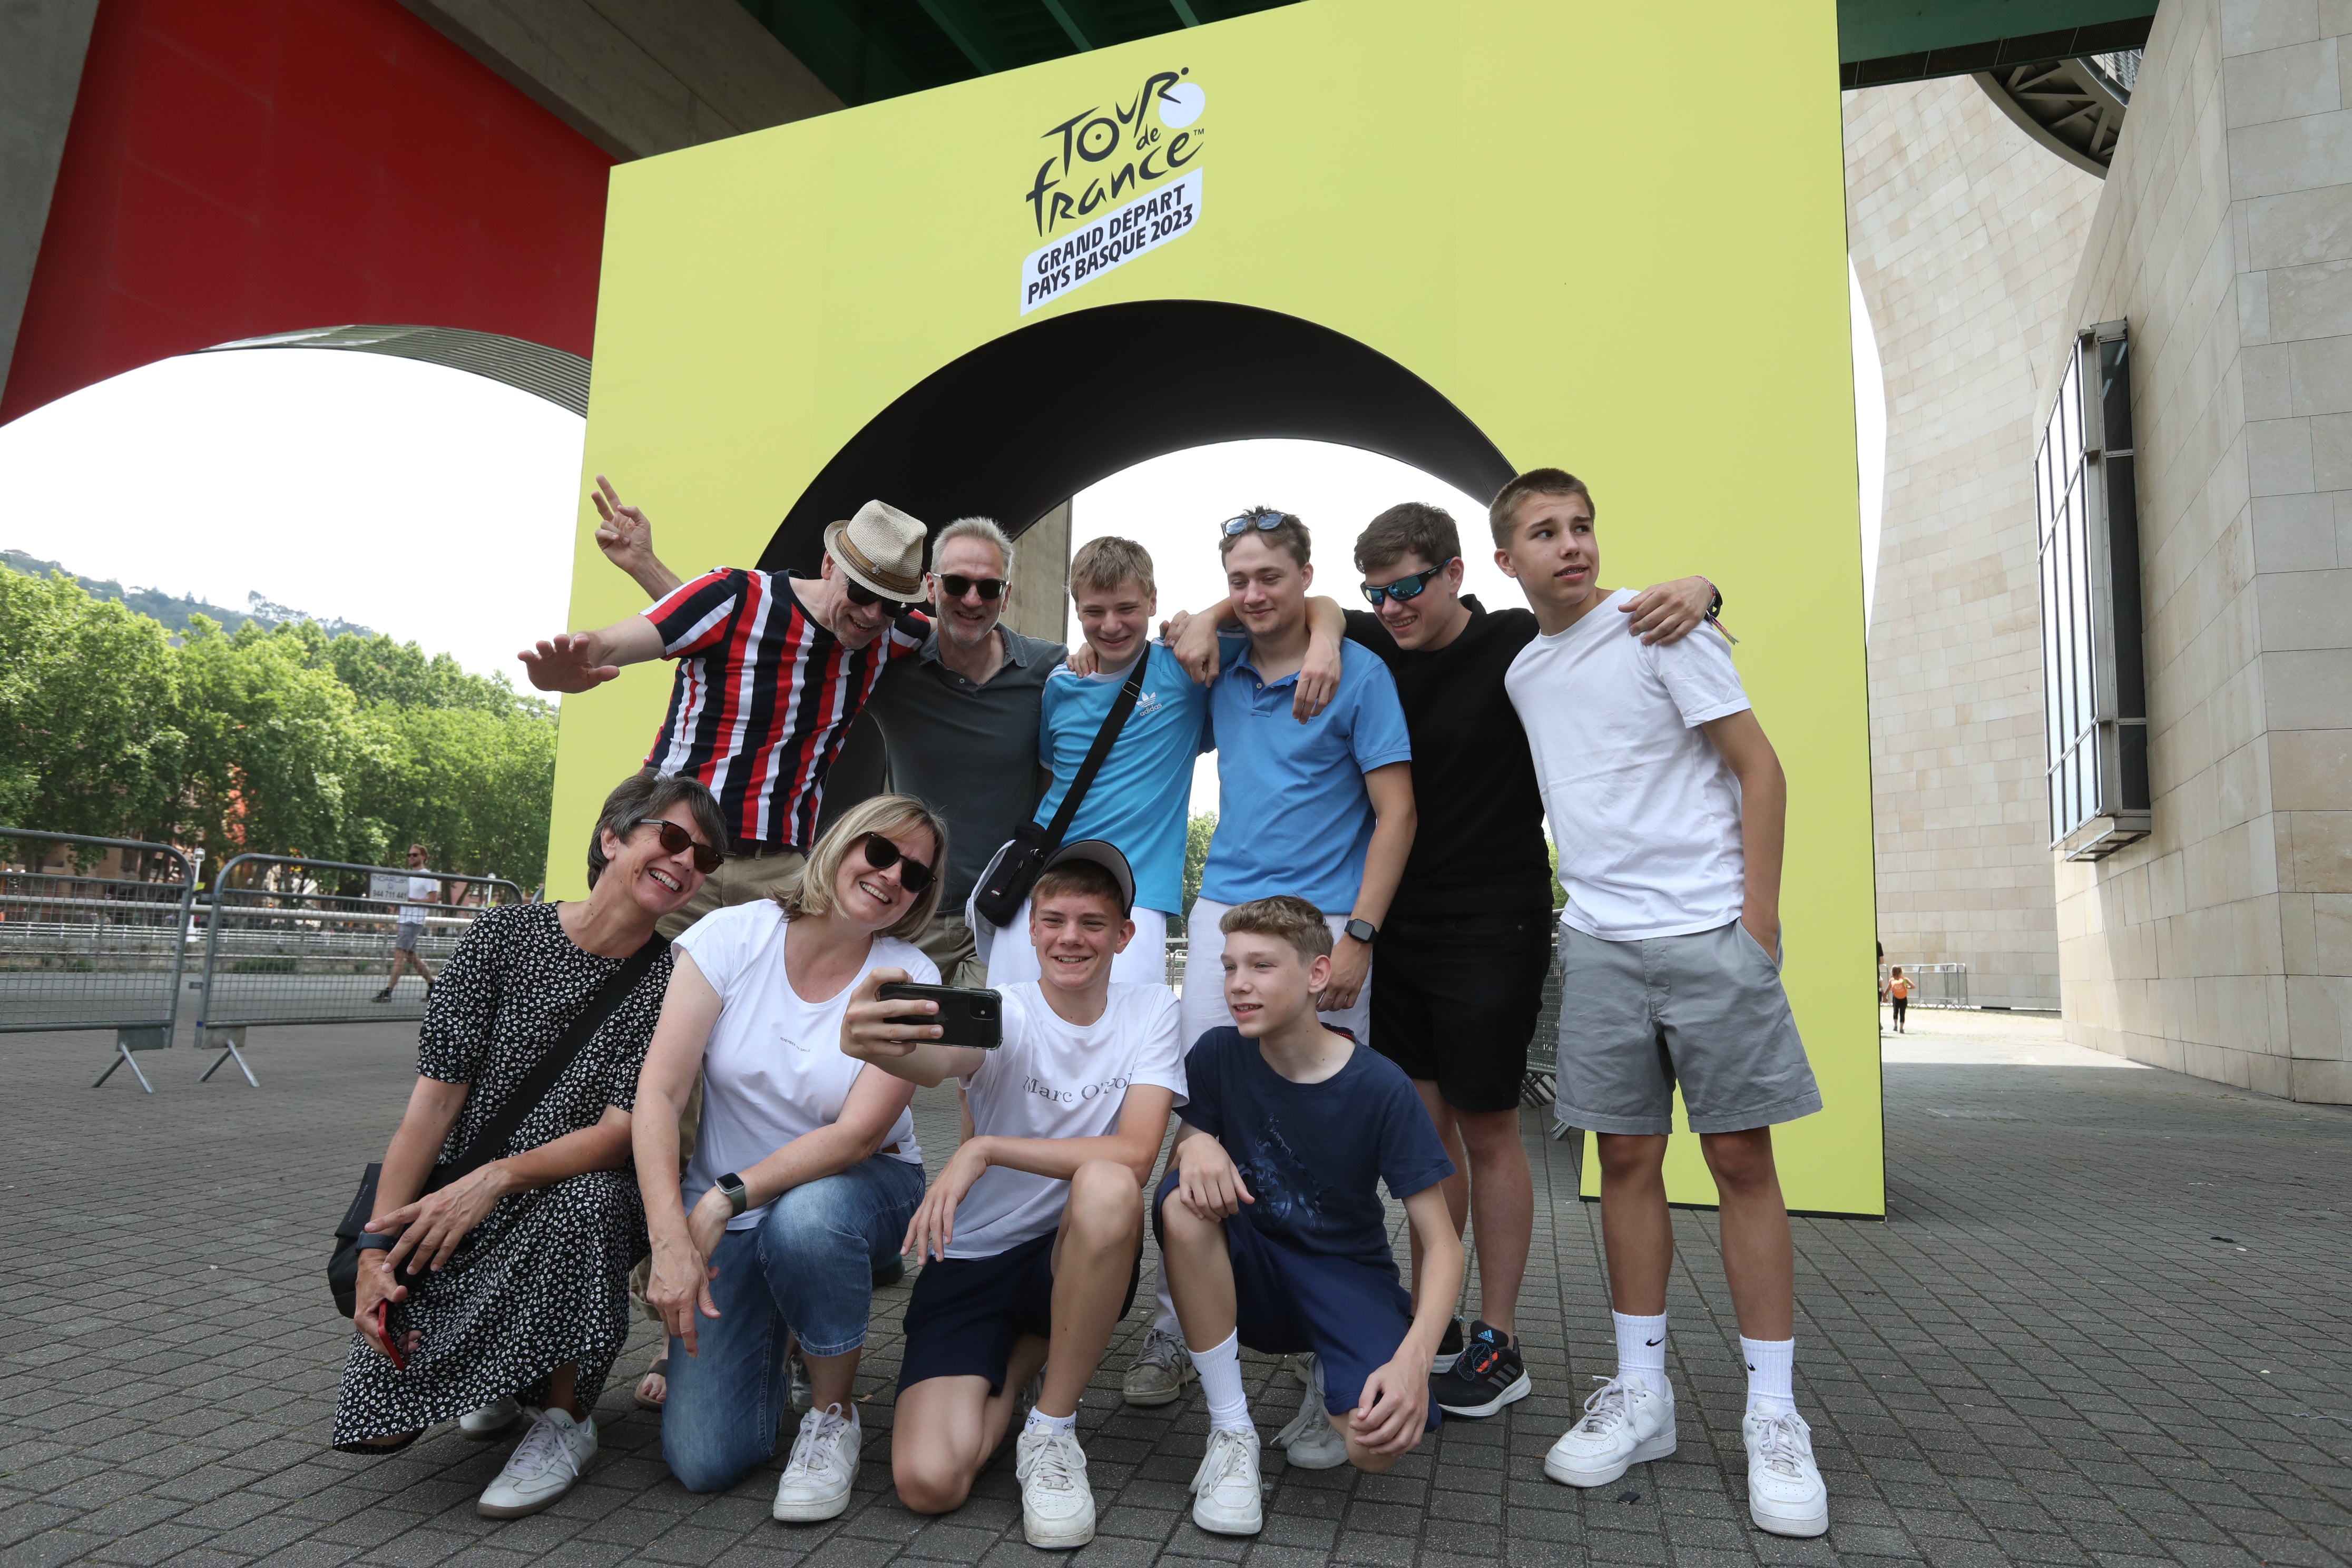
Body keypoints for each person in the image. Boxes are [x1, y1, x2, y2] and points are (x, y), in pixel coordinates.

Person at [1315, 502, 1711, 1419]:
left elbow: (1601, 601)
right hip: (1396, 927)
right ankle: (1436, 1317)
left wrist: (1702, 587)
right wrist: (1339, 624)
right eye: (1378, 593)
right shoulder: (1376, 647)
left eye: (1409, 586)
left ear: (1456, 572)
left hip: (1492, 920)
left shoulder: (1508, 637)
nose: (1394, 605)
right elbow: (1312, 608)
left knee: (1488, 1128)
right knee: (1421, 1129)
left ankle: (1498, 1340)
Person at [1494, 468, 1828, 1538]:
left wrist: (1758, 926)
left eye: (1583, 526)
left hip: (1707, 938)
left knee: (1740, 1161)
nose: (1572, 545)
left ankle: (1773, 1415)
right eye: (1545, 532)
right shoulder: (1526, 674)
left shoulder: (1663, 623)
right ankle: (1644, 1396)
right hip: (1597, 945)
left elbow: (1760, 768)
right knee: (1626, 1162)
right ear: (1508, 560)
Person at [331, 771, 724, 1522]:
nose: (686, 863)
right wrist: (377, 1251)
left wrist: (500, 1178)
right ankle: (502, 1383)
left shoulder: (672, 981)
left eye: (704, 858)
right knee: (380, 1431)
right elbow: (433, 1105)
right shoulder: (501, 937)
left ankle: (566, 1420)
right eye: (671, 837)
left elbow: (620, 1131)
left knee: (588, 1201)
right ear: (611, 838)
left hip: (571, 1188)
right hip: (467, 1195)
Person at [841, 842, 1183, 1550]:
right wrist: (879, 1040)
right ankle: (1028, 1363)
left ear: (1125, 936)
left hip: (1076, 1255)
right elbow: (942, 1060)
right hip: (973, 1260)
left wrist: (985, 1147)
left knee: (1109, 1186)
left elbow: (1137, 1154)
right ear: (1030, 931)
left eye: (1093, 923)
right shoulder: (1001, 1012)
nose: (1070, 937)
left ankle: (1052, 1430)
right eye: (1053, 919)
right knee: (929, 1483)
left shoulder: (1150, 1009)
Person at [632, 794, 944, 1517]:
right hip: (731, 1214)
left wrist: (721, 1197)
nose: (894, 876)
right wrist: (668, 1233)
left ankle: (832, 1414)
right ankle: (781, 1335)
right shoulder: (734, 935)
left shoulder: (909, 975)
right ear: (841, 843)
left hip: (861, 1186)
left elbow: (859, 1135)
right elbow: (660, 1092)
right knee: (705, 1461)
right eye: (882, 851)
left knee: (803, 1223)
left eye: (916, 876)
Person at [1156, 897, 1462, 1537]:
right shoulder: (1216, 1055)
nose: (1238, 984)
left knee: (1374, 1449)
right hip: (1252, 1273)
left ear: (1318, 975)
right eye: (1230, 966)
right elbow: (1174, 1180)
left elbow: (1442, 1244)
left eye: (1262, 966)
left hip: (1346, 1275)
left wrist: (1415, 1358)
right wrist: (1195, 1143)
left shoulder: (1382, 1085)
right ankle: (1231, 1430)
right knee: (1182, 1202)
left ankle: (1332, 1376)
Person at [523, 476, 932, 935]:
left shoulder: (895, 633)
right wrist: (579, 658)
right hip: (671, 847)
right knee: (628, 987)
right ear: (829, 565)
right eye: (860, 593)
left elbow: (967, 636)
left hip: (776, 872)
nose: (873, 615)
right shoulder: (736, 596)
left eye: (893, 605)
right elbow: (620, 639)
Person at [1173, 508, 1414, 1056]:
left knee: (1324, 1104)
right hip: (1223, 912)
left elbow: (1398, 815)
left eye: (1270, 578)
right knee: (1208, 1091)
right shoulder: (1219, 668)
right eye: (1240, 582)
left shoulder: (1361, 674)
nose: (1254, 594)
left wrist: (1359, 937)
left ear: (1306, 577)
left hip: (1324, 918)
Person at [860, 516, 1065, 986]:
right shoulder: (891, 669)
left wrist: (1205, 621)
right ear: (931, 587)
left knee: (981, 1055)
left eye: (988, 588)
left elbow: (1132, 660)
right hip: (910, 913)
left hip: (1004, 917)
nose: (972, 600)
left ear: (1006, 596)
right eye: (957, 584)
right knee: (897, 1050)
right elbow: (779, 634)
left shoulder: (1050, 670)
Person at [374, 843, 439, 1001]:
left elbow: (433, 900)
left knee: (400, 955)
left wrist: (411, 901)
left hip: (413, 920)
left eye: (415, 855)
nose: (411, 857)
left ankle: (388, 991)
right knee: (411, 957)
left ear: (423, 857)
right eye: (409, 855)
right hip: (404, 919)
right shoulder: (407, 876)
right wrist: (396, 905)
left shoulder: (428, 876)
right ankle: (433, 985)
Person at [1888, 966, 1912, 1033]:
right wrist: (1907, 987)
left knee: (1895, 1012)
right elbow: (1913, 986)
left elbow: (1888, 990)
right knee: (1902, 1013)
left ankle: (1895, 1026)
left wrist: (1884, 996)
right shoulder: (1903, 980)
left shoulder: (1892, 980)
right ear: (1901, 972)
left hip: (1895, 998)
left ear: (1892, 972)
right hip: (1904, 998)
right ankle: (1901, 1028)